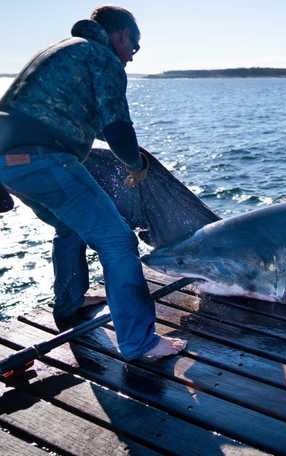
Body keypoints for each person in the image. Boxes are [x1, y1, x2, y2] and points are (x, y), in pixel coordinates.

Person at [0, 6, 185, 360]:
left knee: (69, 226)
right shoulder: (102, 58)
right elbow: (116, 127)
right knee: (117, 240)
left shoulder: (62, 50)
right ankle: (140, 343)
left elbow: (79, 118)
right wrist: (136, 164)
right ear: (119, 35)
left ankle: (69, 304)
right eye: (135, 43)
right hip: (44, 157)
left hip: (7, 160)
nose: (135, 53)